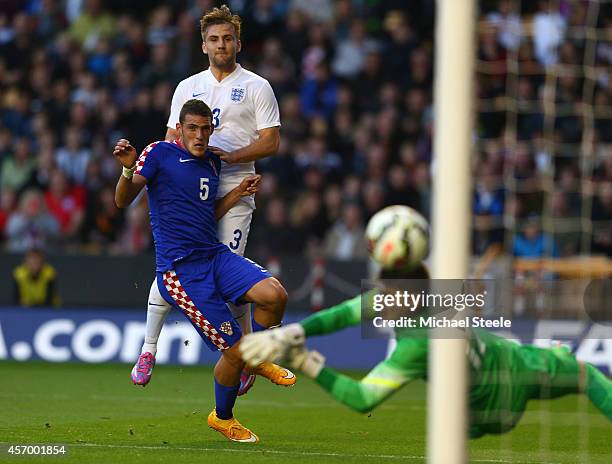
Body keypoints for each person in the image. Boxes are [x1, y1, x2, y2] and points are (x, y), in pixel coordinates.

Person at [240, 222, 612, 438]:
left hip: (486, 410)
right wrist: (294, 332)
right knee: (585, 374)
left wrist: (304, 360)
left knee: (447, 440)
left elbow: (362, 398)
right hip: (517, 361)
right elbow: (343, 314)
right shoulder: (431, 291)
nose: (378, 301)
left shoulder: (415, 346)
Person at [113, 99, 295, 443]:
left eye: (205, 129)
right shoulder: (158, 152)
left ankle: (256, 357)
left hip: (213, 256)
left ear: (212, 130)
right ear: (179, 129)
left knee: (275, 295)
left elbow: (205, 215)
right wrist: (125, 170)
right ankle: (223, 417)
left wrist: (238, 192)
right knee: (235, 352)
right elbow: (123, 201)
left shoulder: (212, 162)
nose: (199, 136)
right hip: (181, 272)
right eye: (192, 129)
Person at [135, 4, 282, 395]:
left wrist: (232, 158)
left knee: (230, 274)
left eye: (227, 38)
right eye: (214, 39)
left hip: (234, 183)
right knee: (176, 260)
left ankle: (246, 354)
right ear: (204, 45)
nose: (221, 45)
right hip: (190, 182)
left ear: (238, 43)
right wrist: (165, 175)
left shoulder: (256, 86)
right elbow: (171, 136)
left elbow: (271, 140)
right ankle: (148, 347)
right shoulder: (187, 86)